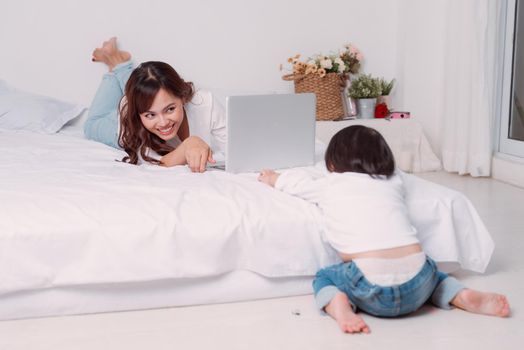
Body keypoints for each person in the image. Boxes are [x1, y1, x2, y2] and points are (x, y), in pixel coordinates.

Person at [258, 125, 510, 334]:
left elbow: (296, 183)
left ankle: (339, 307)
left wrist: (273, 178)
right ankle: (460, 295)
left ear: (332, 164)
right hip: (420, 281)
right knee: (436, 273)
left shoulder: (329, 185)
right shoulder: (394, 180)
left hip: (369, 289)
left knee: (324, 276)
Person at [85, 37, 226, 172]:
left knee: (150, 89)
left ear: (182, 97)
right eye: (150, 115)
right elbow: (158, 162)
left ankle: (119, 62)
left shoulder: (206, 104)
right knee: (91, 126)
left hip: (146, 101)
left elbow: (235, 149)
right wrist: (188, 144)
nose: (163, 122)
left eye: (170, 109)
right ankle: (115, 62)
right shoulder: (131, 125)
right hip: (129, 120)